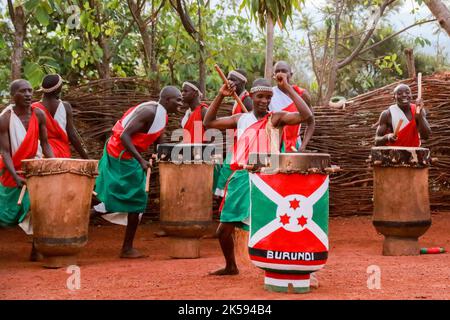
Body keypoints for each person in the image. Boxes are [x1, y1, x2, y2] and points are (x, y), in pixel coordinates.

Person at [204, 74, 313, 276]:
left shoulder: (276, 118)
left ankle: (291, 267)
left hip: (267, 179)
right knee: (223, 231)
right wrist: (221, 95)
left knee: (276, 225)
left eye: (268, 97)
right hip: (241, 179)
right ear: (251, 97)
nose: (264, 101)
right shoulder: (241, 119)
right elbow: (208, 122)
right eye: (260, 97)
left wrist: (287, 88)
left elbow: (306, 116)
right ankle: (231, 266)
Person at [94, 86, 182, 258]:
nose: (181, 103)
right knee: (135, 198)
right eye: (177, 100)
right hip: (120, 155)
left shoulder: (161, 114)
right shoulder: (149, 112)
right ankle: (126, 248)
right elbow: (124, 136)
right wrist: (140, 160)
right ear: (166, 100)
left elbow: (158, 140)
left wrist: (173, 156)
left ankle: (125, 245)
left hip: (126, 156)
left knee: (133, 199)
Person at [0, 79, 54, 260]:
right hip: (11, 172)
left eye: (30, 91)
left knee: (40, 207)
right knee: (5, 214)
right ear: (13, 95)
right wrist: (14, 175)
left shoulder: (38, 115)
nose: (28, 95)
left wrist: (54, 165)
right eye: (23, 91)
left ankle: (36, 249)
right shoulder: (5, 118)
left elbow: (45, 144)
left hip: (35, 169)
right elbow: (5, 151)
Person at [214, 69, 253, 198]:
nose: (229, 82)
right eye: (228, 78)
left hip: (243, 148)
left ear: (242, 83)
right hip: (236, 145)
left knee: (227, 174)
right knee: (225, 175)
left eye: (233, 79)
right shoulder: (237, 98)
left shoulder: (247, 101)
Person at [32, 74, 89, 158]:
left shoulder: (34, 108)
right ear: (56, 91)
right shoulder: (65, 106)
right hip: (62, 153)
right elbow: (72, 136)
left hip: (42, 153)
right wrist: (86, 158)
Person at [269, 61, 315, 152]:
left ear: (291, 74)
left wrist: (303, 146)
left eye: (284, 71)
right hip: (275, 145)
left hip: (295, 145)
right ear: (273, 75)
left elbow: (311, 122)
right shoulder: (268, 95)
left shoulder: (302, 94)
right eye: (277, 71)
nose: (280, 74)